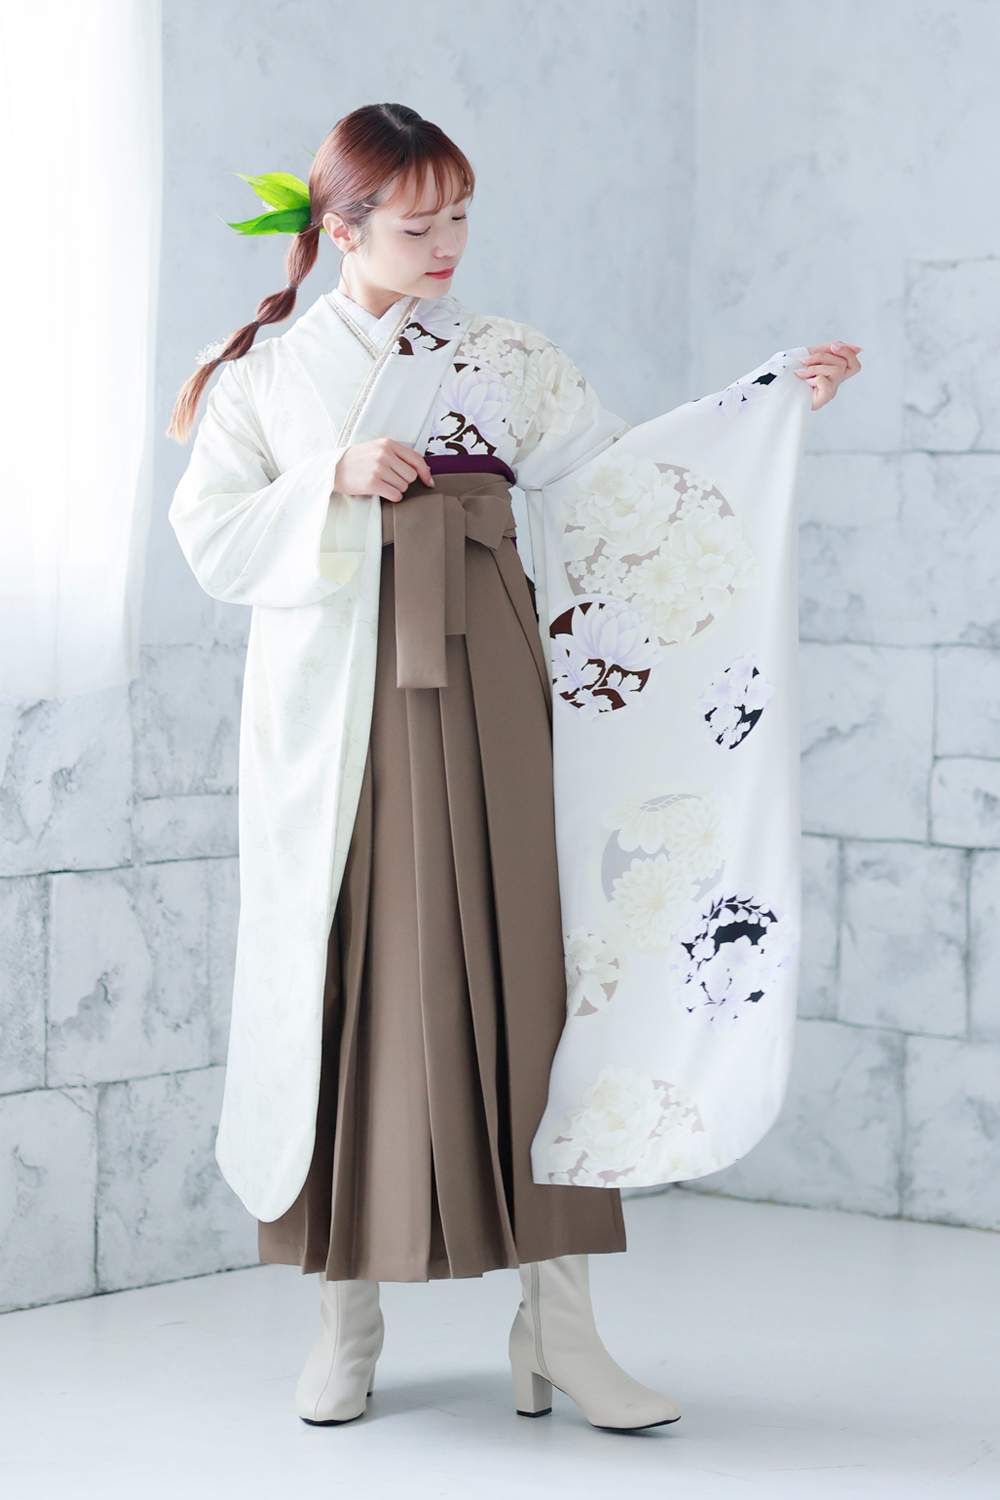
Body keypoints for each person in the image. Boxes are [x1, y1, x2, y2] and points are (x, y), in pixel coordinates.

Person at [168, 103, 860, 1432]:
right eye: (417, 224)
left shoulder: (506, 358)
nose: (448, 246)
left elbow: (622, 486)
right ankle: (346, 1321)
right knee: (351, 979)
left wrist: (768, 408)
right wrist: (328, 479)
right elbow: (211, 538)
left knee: (534, 969)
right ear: (340, 229)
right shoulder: (262, 377)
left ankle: (561, 1326)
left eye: (461, 218)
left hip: (490, 673)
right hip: (339, 705)